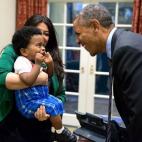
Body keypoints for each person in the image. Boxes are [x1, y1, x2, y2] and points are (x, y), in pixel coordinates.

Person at [73, 3, 142, 142]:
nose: (77, 41)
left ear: (95, 26)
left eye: (78, 33)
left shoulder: (126, 50)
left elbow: (139, 118)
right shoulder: (120, 44)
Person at [0, 15, 65, 142]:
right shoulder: (15, 53)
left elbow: (61, 93)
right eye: (37, 32)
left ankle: (59, 132)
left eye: (46, 33)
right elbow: (1, 76)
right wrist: (41, 77)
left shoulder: (49, 56)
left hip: (43, 128)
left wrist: (49, 110)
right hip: (16, 127)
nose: (42, 36)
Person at [12, 26, 77, 142]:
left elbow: (48, 75)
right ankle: (60, 132)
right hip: (28, 102)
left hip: (40, 97)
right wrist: (37, 64)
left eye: (43, 45)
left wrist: (50, 63)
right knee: (52, 106)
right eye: (38, 45)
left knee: (57, 103)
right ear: (24, 51)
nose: (42, 48)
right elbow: (28, 80)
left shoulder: (35, 61)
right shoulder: (21, 62)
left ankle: (57, 131)